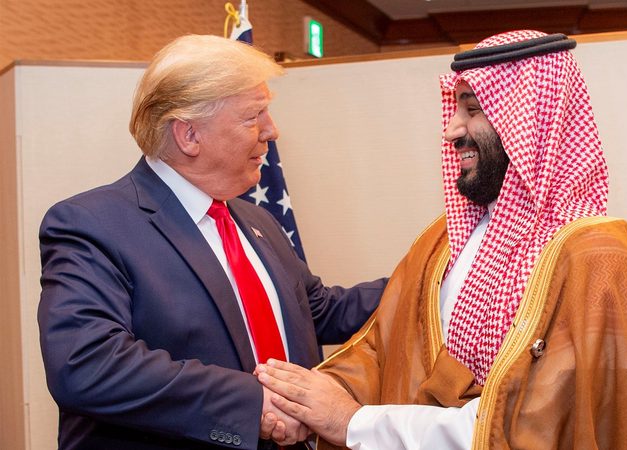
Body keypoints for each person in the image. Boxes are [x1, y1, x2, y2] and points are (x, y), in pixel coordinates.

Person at [256, 30, 627, 449]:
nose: (452, 130)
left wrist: (354, 423)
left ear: (528, 120)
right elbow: (384, 350)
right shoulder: (442, 240)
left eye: (472, 109)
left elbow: (544, 424)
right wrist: (307, 402)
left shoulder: (596, 257)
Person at [37, 34, 386, 450]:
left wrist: (433, 273)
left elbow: (319, 311)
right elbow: (87, 364)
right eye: (253, 116)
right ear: (188, 135)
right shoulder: (92, 224)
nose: (271, 131)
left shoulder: (255, 219)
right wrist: (252, 404)